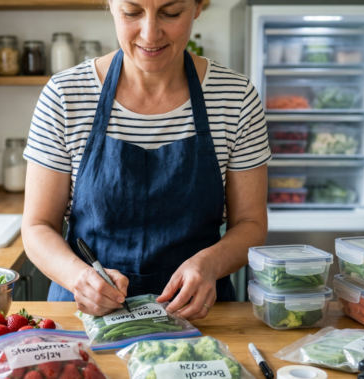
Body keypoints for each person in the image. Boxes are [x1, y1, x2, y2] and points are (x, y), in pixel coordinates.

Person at [21, 0, 270, 320]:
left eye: (171, 13)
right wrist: (78, 278)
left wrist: (208, 265)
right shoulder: (65, 95)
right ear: (110, 5)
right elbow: (37, 225)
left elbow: (250, 224)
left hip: (198, 316)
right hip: (85, 317)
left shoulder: (235, 97)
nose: (150, 34)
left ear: (197, 6)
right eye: (131, 12)